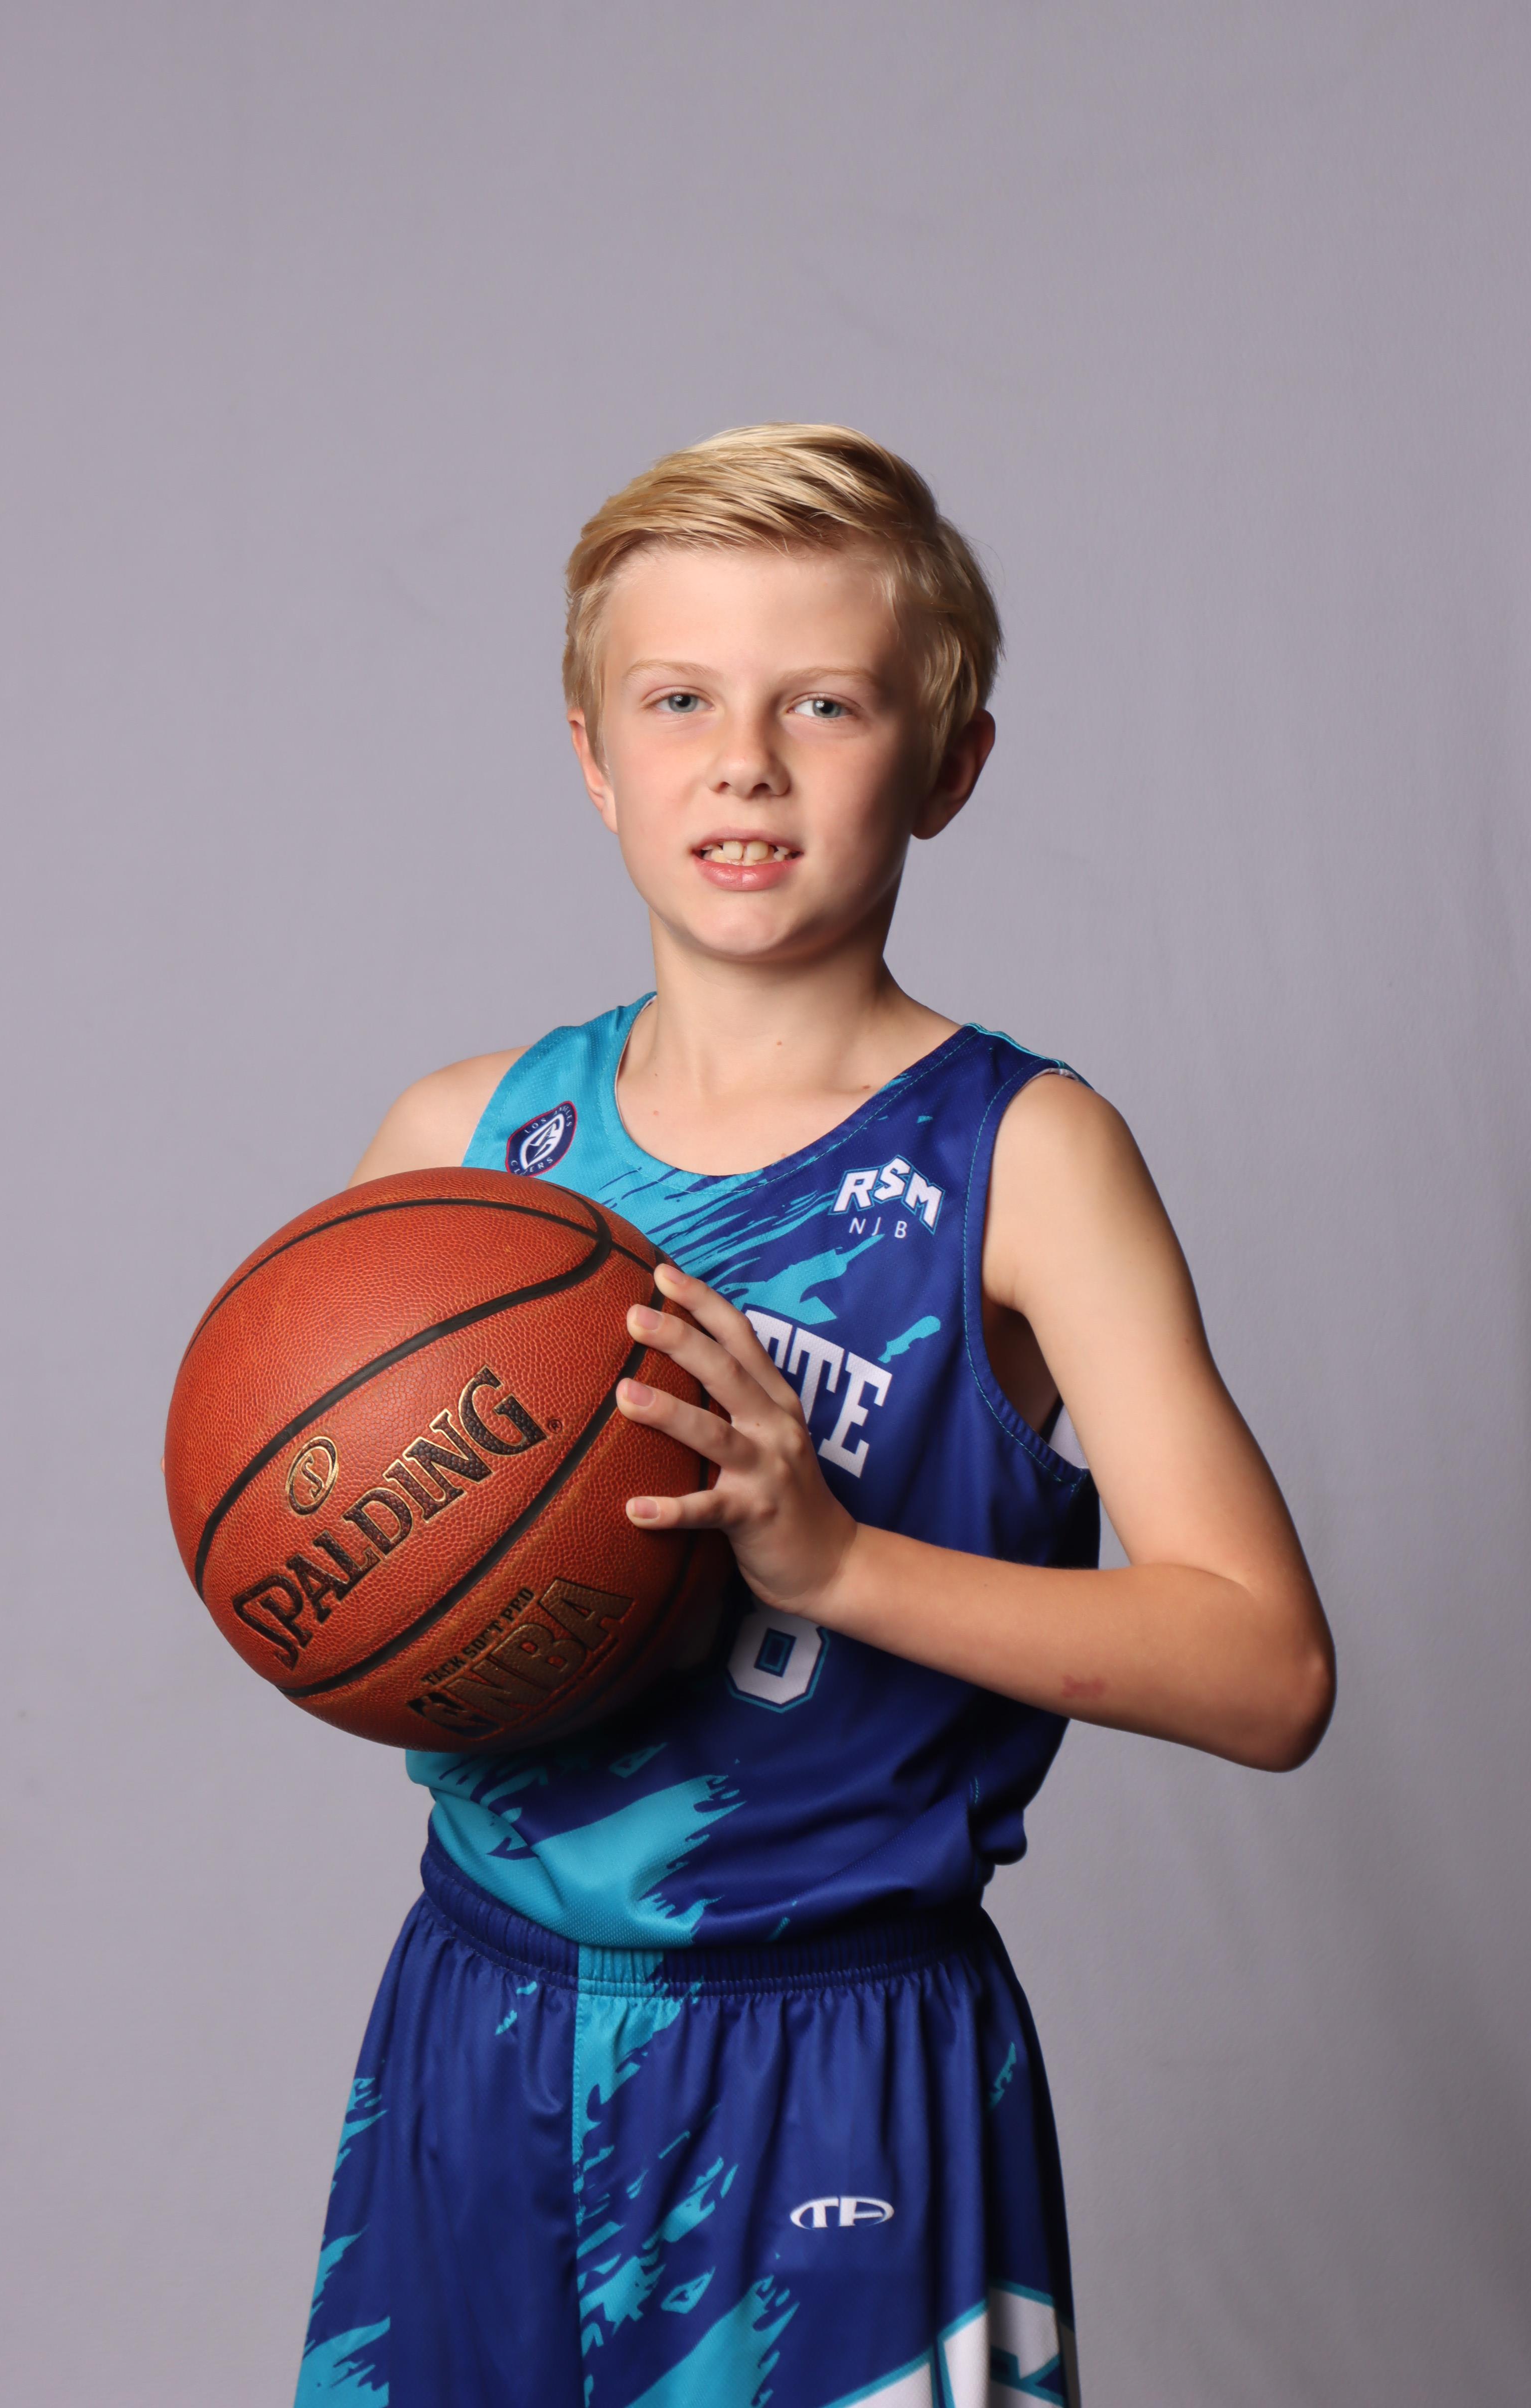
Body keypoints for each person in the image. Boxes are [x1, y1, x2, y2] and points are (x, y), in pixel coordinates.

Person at [294, 424, 1334, 2408]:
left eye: (825, 704)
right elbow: (345, 1577)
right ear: (593, 756)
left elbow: (1265, 1670)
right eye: (678, 699)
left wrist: (835, 1563)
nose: (743, 761)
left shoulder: (1025, 1159)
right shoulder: (464, 1147)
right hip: (480, 2025)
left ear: (948, 765)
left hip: (836, 2058)